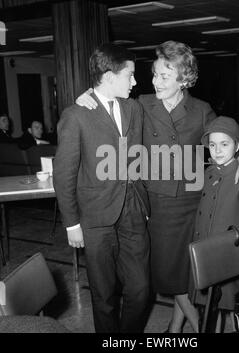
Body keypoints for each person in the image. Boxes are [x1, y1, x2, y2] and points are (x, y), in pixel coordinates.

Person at [76, 40, 239, 333]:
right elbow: (105, 99)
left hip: (193, 205)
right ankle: (201, 330)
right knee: (170, 278)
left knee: (188, 275)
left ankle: (174, 329)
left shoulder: (201, 110)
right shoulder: (142, 104)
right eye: (155, 74)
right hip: (156, 207)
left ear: (183, 79)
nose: (155, 81)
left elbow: (226, 138)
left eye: (164, 76)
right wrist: (86, 96)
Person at [53, 44, 150, 333]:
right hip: (95, 219)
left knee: (141, 289)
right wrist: (72, 224)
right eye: (130, 75)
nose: (135, 82)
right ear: (109, 76)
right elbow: (64, 173)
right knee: (104, 295)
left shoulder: (135, 107)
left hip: (132, 210)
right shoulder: (76, 115)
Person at [189, 116, 239, 329]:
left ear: (237, 146)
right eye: (212, 145)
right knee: (207, 313)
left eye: (225, 144)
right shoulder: (209, 172)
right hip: (207, 257)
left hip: (230, 259)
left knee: (236, 310)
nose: (217, 150)